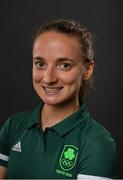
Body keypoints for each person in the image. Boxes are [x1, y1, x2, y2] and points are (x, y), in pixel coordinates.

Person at [0, 19, 116, 179]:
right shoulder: (13, 126)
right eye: (40, 63)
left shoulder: (97, 143)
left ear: (87, 70)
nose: (48, 78)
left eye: (64, 65)